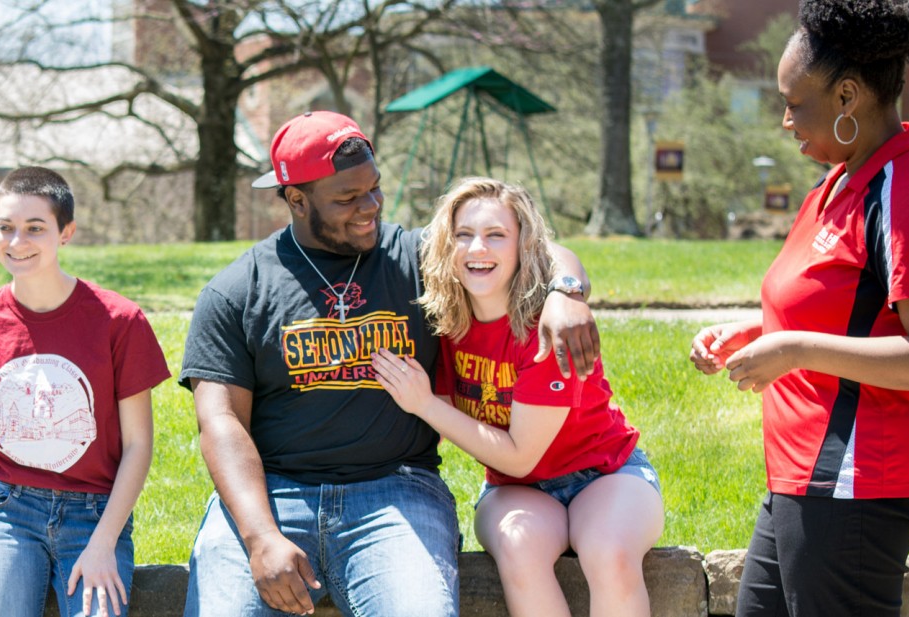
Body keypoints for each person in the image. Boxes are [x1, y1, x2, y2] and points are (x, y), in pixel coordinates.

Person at [179, 111, 600, 617]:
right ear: (296, 199)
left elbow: (531, 247)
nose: (370, 207)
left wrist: (566, 292)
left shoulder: (416, 257)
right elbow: (220, 422)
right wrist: (260, 534)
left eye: (374, 189)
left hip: (396, 491)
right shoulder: (235, 292)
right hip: (273, 494)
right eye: (347, 198)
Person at [689, 1, 909, 615]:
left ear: (847, 96)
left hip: (858, 483)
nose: (785, 120)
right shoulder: (840, 182)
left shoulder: (906, 192)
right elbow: (845, 311)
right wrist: (757, 331)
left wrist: (794, 349)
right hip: (806, 480)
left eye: (794, 102)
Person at [371, 177, 664, 617]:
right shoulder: (445, 323)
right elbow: (511, 467)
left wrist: (424, 403)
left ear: (523, 246)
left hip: (605, 473)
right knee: (518, 547)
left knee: (610, 553)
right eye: (463, 235)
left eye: (495, 235)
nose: (476, 249)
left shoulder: (547, 327)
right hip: (515, 490)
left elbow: (519, 455)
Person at [0, 166, 168, 617]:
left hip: (95, 512)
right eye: (5, 227)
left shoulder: (119, 321)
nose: (16, 241)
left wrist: (104, 544)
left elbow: (139, 445)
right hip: (10, 512)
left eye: (34, 228)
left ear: (66, 233)